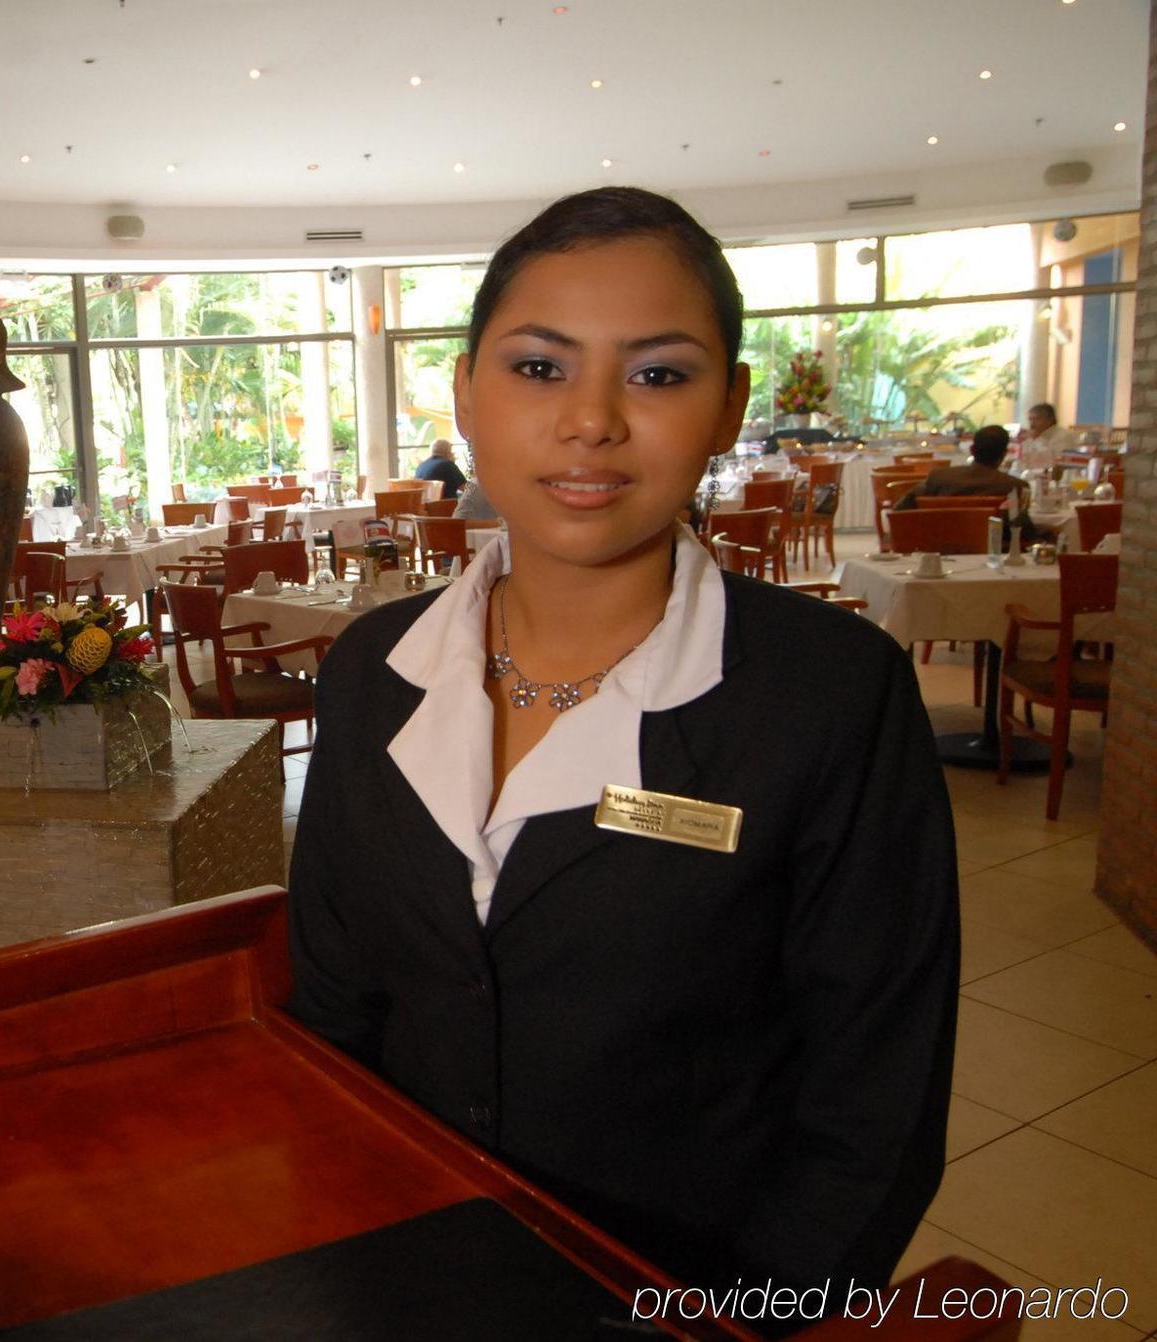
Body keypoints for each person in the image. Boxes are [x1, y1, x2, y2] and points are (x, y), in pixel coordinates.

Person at [288, 187, 955, 1325]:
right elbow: (334, 1016)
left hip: (685, 1291)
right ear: (463, 391)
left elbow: (873, 1110)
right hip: (400, 1270)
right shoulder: (369, 669)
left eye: (656, 373)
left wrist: (734, 1321)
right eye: (538, 368)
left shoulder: (829, 694)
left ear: (727, 406)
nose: (590, 420)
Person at [898, 425, 1040, 542]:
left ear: (972, 450)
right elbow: (1022, 533)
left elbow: (901, 510)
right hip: (992, 552)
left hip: (938, 547)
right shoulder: (1016, 487)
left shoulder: (938, 477)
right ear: (1004, 454)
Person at [1014, 402, 1073, 475]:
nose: (1032, 423)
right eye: (1030, 419)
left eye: (1036, 419)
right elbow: (1021, 462)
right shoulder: (1029, 436)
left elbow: (1056, 462)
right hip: (1029, 476)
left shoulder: (1064, 435)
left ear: (1050, 419)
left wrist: (1037, 439)